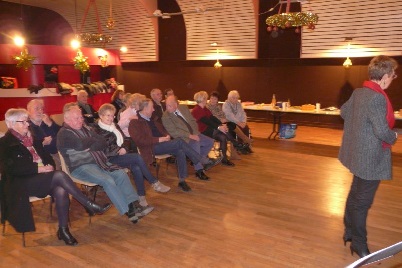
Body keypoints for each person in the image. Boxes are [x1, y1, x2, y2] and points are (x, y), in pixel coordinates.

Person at [0, 108, 111, 246]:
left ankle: (63, 230)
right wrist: (39, 168)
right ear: (10, 124)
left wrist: (49, 165)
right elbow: (11, 168)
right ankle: (88, 204)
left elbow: (47, 157)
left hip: (41, 179)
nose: (27, 125)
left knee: (61, 189)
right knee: (59, 176)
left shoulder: (32, 138)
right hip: (20, 184)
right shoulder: (4, 143)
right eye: (22, 122)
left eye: (27, 121)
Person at [339, 55, 399, 258]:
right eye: (392, 74)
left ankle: (349, 231)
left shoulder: (359, 92)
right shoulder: (377, 97)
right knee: (362, 202)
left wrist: (360, 129)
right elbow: (383, 132)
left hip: (358, 153)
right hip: (370, 158)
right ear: (383, 76)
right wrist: (395, 136)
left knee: (356, 194)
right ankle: (359, 244)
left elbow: (344, 112)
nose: (394, 77)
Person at [57, 103, 153, 224]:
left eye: (81, 117)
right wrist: (92, 141)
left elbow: (102, 142)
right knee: (107, 180)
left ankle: (134, 205)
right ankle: (128, 210)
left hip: (98, 162)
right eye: (77, 118)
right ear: (67, 119)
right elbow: (80, 145)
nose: (81, 120)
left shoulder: (85, 128)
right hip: (80, 167)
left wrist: (89, 145)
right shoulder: (64, 133)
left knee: (120, 174)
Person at [128, 98, 219, 192]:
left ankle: (182, 181)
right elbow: (139, 141)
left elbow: (163, 129)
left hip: (163, 144)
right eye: (152, 107)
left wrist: (166, 135)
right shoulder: (135, 122)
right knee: (179, 142)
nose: (154, 109)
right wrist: (159, 139)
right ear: (145, 109)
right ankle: (202, 160)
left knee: (180, 151)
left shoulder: (153, 119)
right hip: (151, 148)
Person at [93, 103, 171, 207]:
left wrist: (124, 148)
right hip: (109, 159)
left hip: (121, 155)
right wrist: (118, 150)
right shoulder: (96, 130)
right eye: (108, 115)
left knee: (137, 167)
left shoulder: (114, 125)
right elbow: (102, 148)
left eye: (112, 115)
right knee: (137, 157)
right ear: (101, 116)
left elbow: (125, 139)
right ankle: (154, 182)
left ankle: (141, 197)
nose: (111, 118)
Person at [162, 95, 221, 178]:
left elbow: (192, 121)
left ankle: (197, 160)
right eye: (166, 105)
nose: (167, 108)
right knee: (196, 144)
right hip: (182, 138)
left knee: (210, 142)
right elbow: (174, 132)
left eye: (169, 105)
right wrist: (190, 136)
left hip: (194, 133)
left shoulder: (183, 108)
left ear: (176, 104)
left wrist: (195, 133)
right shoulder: (166, 116)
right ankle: (199, 170)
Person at [192, 91, 250, 166]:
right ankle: (236, 144)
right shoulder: (197, 110)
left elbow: (212, 118)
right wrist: (219, 127)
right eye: (206, 98)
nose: (207, 99)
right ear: (203, 99)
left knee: (223, 137)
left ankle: (224, 159)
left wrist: (221, 124)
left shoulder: (204, 108)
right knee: (222, 131)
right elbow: (207, 121)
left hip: (208, 129)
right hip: (201, 132)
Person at [27, 99, 62, 169]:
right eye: (36, 108)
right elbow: (28, 146)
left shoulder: (47, 120)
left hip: (61, 151)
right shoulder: (26, 126)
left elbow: (63, 133)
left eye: (41, 109)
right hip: (46, 157)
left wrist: (50, 123)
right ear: (29, 111)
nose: (40, 111)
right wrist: (42, 144)